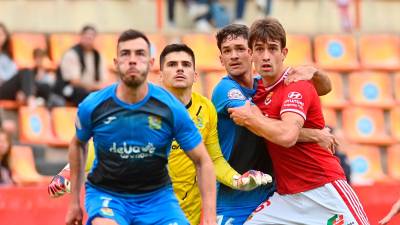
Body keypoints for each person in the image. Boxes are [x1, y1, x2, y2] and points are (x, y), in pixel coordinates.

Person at [49, 43, 272, 224]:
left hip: (186, 215)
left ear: (195, 75)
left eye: (185, 64)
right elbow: (102, 149)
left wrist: (238, 179)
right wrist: (66, 173)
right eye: (172, 64)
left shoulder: (206, 110)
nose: (179, 69)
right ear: (161, 75)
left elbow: (213, 159)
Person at [65, 29, 217, 225]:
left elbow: (203, 161)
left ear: (151, 63)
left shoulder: (171, 108)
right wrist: (74, 203)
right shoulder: (93, 105)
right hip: (109, 195)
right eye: (125, 54)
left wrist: (211, 217)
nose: (132, 60)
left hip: (157, 199)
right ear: (116, 63)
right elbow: (78, 144)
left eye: (140, 54)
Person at [228, 17, 369, 225]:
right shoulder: (256, 91)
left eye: (273, 49)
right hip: (287, 198)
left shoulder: (296, 85)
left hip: (324, 190)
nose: (266, 56)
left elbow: (286, 135)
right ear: (251, 54)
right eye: (259, 49)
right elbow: (281, 125)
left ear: (284, 53)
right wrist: (313, 134)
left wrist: (250, 119)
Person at [212, 23, 337, 225]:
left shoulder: (264, 84)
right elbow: (258, 122)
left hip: (271, 197)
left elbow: (320, 89)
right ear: (221, 59)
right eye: (227, 51)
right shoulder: (226, 90)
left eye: (240, 49)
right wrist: (315, 134)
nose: (234, 56)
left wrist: (315, 73)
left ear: (250, 53)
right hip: (234, 200)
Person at [55, 25, 106, 106]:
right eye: (87, 37)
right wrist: (93, 86)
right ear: (81, 37)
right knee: (83, 93)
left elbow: (103, 80)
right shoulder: (72, 54)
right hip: (71, 90)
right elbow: (74, 82)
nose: (89, 40)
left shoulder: (98, 55)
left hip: (92, 90)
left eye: (91, 37)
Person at [0, 22, 35, 106]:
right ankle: (31, 103)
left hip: (10, 87)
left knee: (28, 73)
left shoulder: (7, 55)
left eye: (1, 34)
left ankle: (29, 98)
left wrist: (20, 89)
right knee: (25, 72)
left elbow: (14, 74)